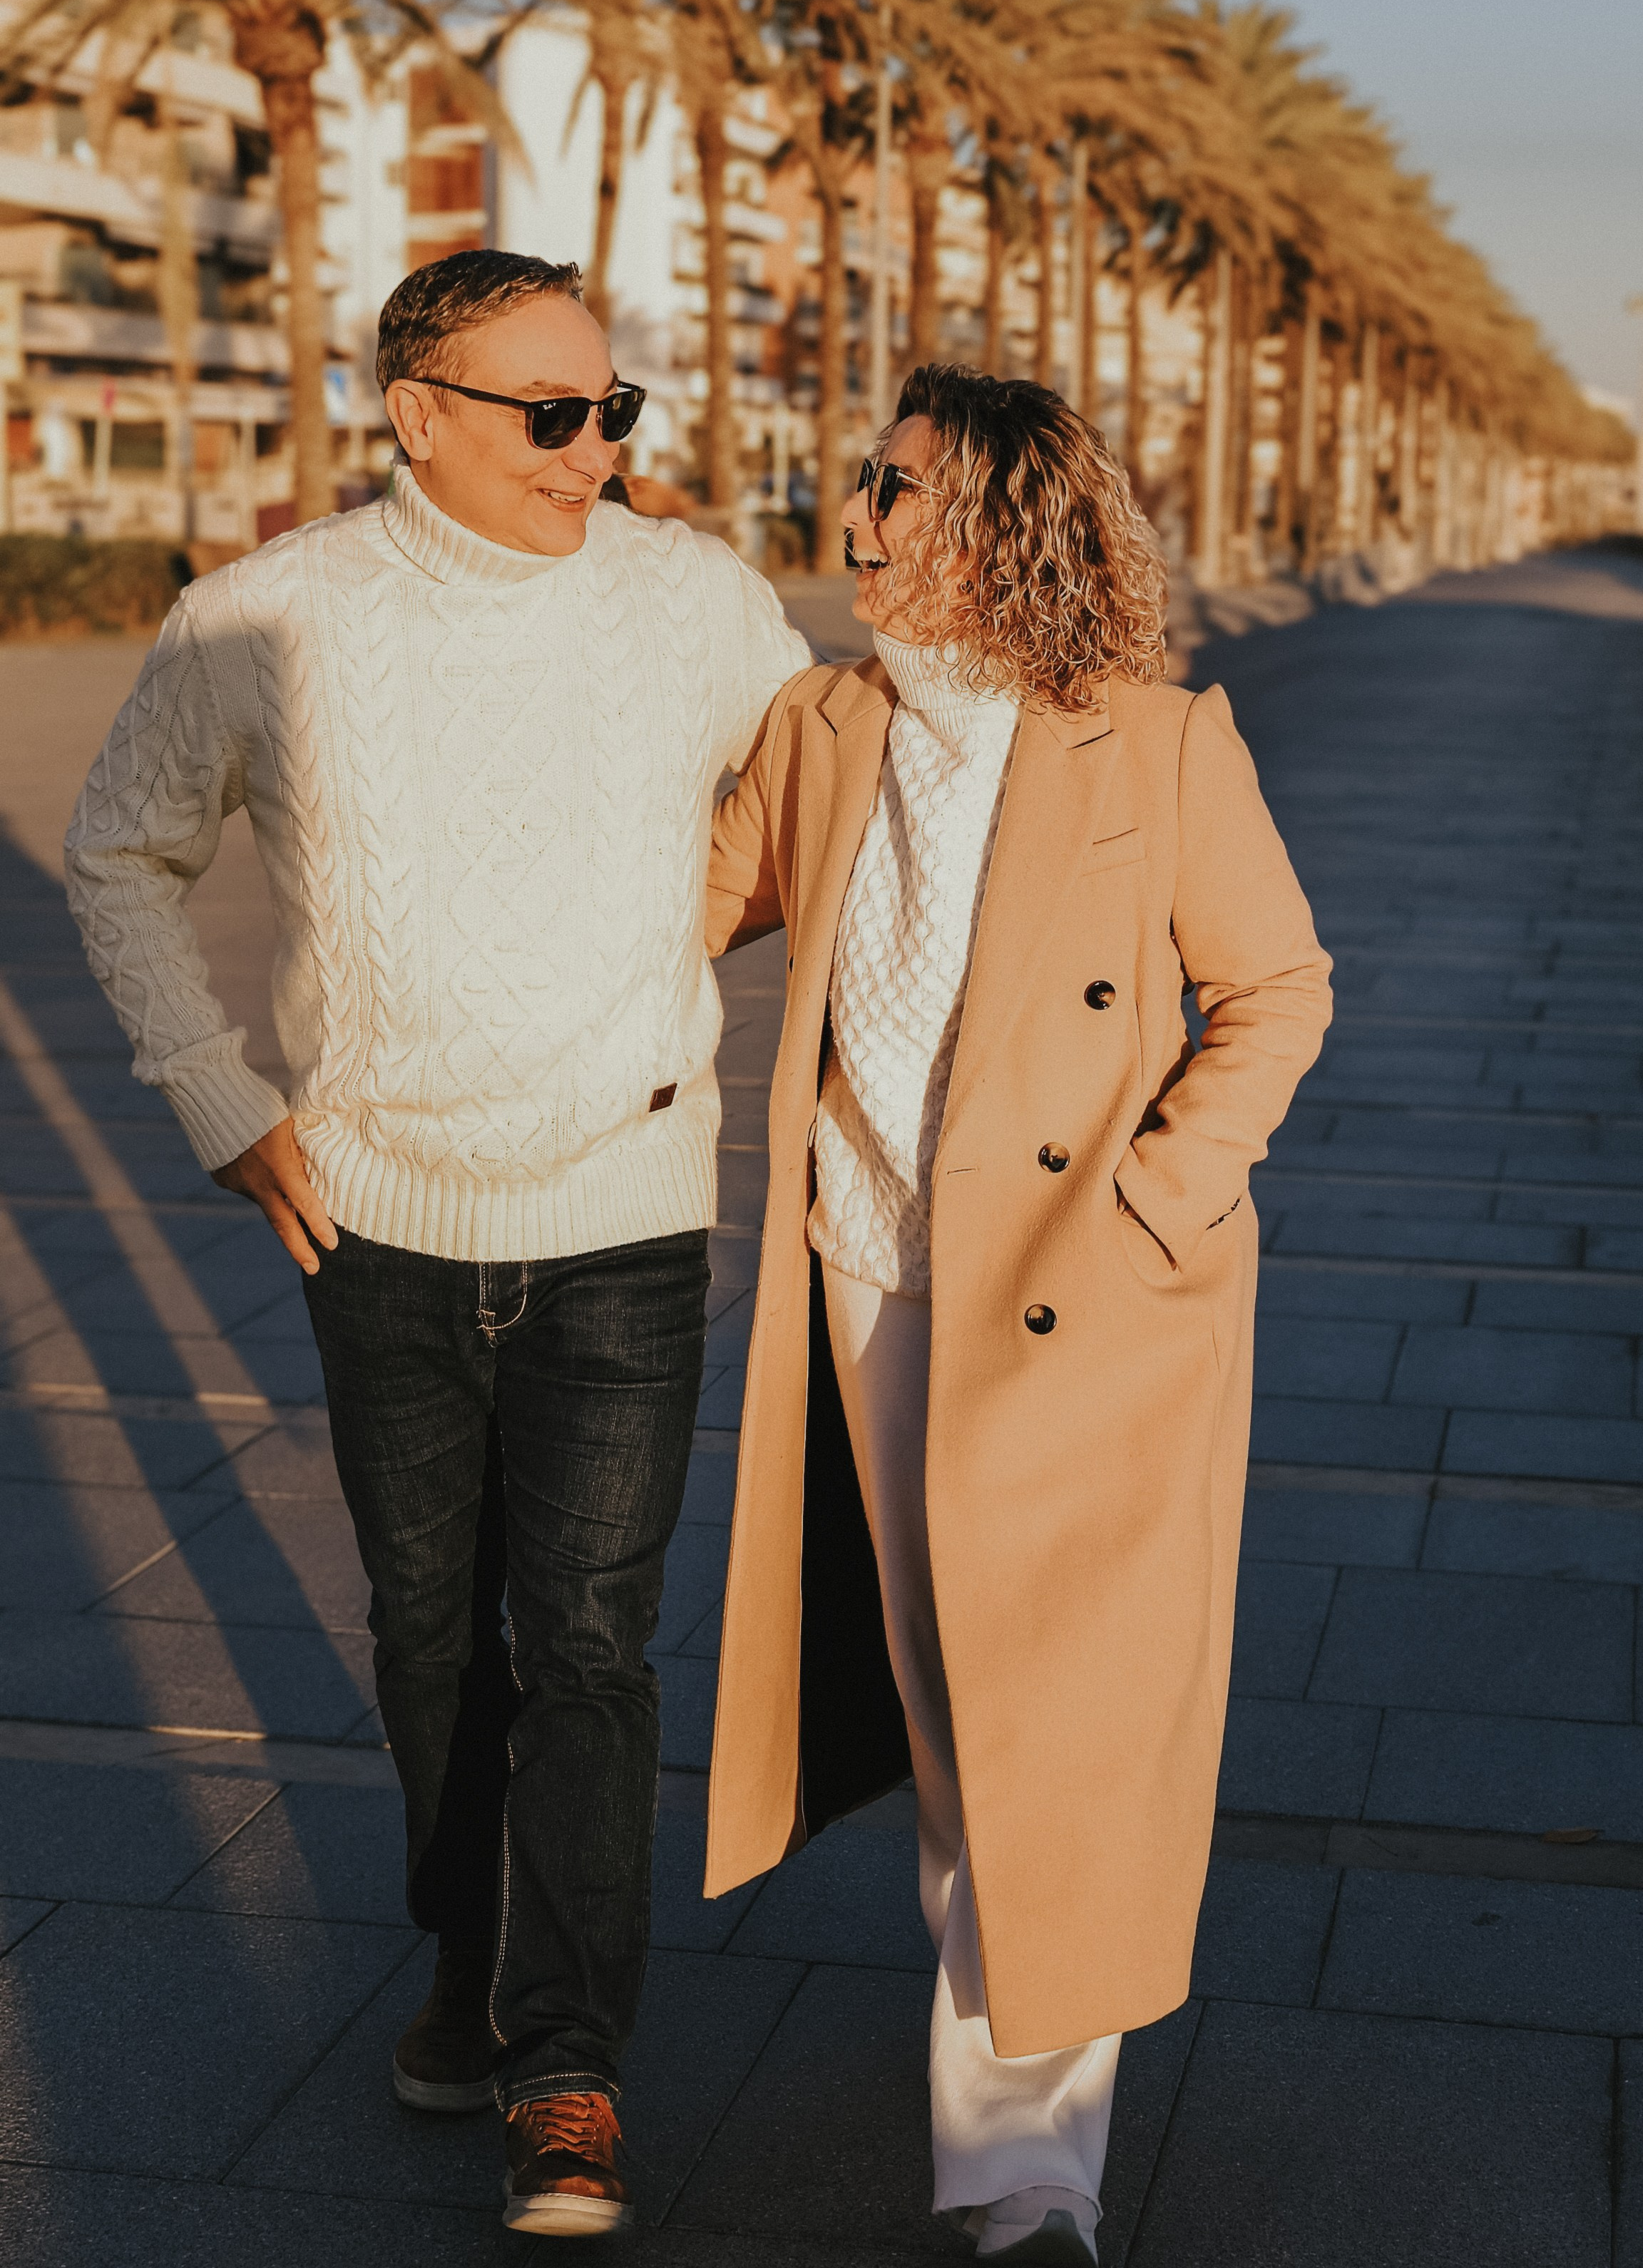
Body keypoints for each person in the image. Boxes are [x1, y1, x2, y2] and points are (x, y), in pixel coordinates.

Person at [63, 249, 809, 2239]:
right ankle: (468, 1958)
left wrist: (674, 937)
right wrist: (222, 1101)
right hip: (378, 1222)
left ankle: (566, 2070)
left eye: (612, 410)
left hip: (628, 1215)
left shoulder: (696, 603)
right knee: (424, 1637)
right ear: (419, 414)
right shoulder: (266, 616)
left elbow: (838, 796)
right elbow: (117, 852)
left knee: (586, 1644)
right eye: (550, 414)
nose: (594, 452)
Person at [700, 365, 1332, 2264]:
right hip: (878, 1280)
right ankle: (1014, 2080)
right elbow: (682, 911)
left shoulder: (1154, 740)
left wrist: (1155, 1197)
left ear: (999, 523)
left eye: (896, 488)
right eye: (863, 481)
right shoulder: (821, 725)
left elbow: (1278, 990)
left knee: (1058, 1724)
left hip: (1083, 1302)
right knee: (957, 1715)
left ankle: (1026, 2171)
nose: (858, 515)